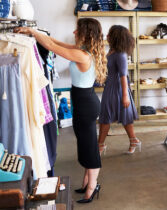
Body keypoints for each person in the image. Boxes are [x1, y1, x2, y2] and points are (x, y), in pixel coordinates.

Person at [15, 18, 107, 203]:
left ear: (86, 33)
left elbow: (51, 45)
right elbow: (55, 42)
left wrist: (32, 32)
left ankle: (92, 186)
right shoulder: (83, 51)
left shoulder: (83, 56)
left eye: (77, 30)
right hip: (83, 103)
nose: (74, 33)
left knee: (89, 147)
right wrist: (36, 34)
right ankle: (88, 181)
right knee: (85, 145)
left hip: (86, 105)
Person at [98, 25, 140, 155]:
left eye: (110, 34)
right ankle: (133, 140)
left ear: (116, 37)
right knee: (112, 115)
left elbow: (123, 75)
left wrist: (126, 95)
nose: (107, 36)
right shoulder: (112, 51)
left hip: (119, 89)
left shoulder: (120, 54)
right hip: (110, 87)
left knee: (109, 116)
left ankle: (100, 145)